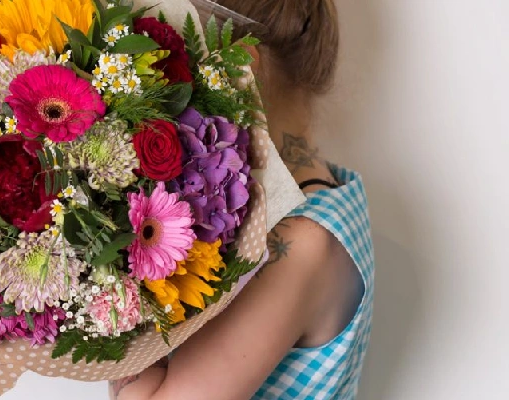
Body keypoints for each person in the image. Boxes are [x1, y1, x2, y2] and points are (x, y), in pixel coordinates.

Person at [109, 0, 374, 399]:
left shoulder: (300, 243)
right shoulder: (329, 192)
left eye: (179, 48)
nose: (165, 76)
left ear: (238, 62)